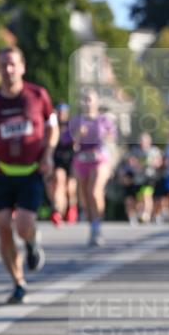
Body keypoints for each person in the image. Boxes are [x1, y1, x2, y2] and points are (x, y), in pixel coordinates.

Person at [0, 46, 57, 304]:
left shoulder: (37, 95)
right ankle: (18, 282)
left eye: (12, 64)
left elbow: (52, 127)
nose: (8, 70)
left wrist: (49, 155)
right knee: (2, 227)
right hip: (1, 172)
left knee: (23, 226)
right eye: (3, 65)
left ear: (22, 67)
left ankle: (31, 242)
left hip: (31, 171)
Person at [69, 90, 116, 246]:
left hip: (99, 158)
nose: (87, 103)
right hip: (82, 159)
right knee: (84, 196)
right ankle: (93, 226)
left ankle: (97, 225)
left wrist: (105, 135)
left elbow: (113, 137)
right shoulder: (76, 121)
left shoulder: (104, 119)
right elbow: (71, 144)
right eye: (84, 100)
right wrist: (78, 135)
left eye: (89, 99)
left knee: (94, 191)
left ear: (96, 102)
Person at [47, 102, 78, 226]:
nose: (61, 115)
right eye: (59, 113)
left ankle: (71, 207)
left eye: (63, 113)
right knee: (58, 182)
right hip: (57, 159)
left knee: (70, 188)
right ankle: (57, 211)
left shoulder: (72, 126)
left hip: (71, 160)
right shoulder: (51, 126)